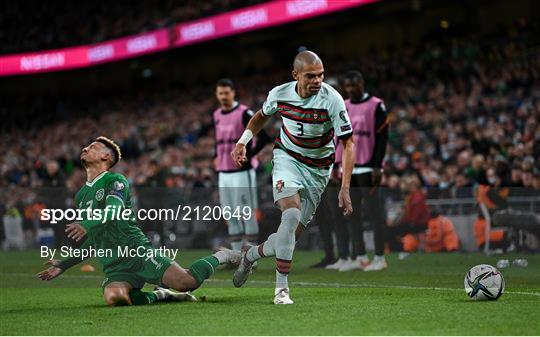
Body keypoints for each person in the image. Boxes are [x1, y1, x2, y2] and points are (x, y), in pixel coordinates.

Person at [37, 137, 241, 306]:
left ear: (106, 156)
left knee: (187, 281)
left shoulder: (116, 181)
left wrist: (87, 224)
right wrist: (64, 264)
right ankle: (164, 294)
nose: (85, 148)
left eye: (93, 147)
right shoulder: (81, 195)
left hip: (137, 252)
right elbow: (93, 239)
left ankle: (223, 255)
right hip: (115, 265)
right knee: (114, 298)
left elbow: (113, 210)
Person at [230, 51, 355, 304]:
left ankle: (250, 256)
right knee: (291, 214)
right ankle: (281, 290)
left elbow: (348, 144)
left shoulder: (333, 100)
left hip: (319, 170)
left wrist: (344, 187)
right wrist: (243, 141)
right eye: (310, 76)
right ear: (295, 75)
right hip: (287, 158)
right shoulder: (280, 93)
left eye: (321, 75)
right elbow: (261, 117)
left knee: (289, 237)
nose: (317, 81)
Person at [330, 70, 389, 272]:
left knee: (375, 215)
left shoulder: (376, 105)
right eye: (348, 86)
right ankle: (361, 257)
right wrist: (336, 165)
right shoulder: (343, 106)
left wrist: (378, 165)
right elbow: (338, 139)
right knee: (351, 214)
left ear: (362, 84)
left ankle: (380, 257)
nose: (351, 89)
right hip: (348, 169)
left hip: (368, 167)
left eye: (354, 85)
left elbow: (382, 138)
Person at [213, 78, 271, 251]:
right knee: (230, 215)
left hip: (242, 171)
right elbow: (218, 141)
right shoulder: (216, 115)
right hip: (223, 172)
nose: (223, 96)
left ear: (233, 93)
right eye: (220, 93)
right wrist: (215, 155)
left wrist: (249, 155)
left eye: (226, 92)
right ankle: (237, 255)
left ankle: (251, 257)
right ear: (217, 94)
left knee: (246, 213)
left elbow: (265, 137)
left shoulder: (245, 113)